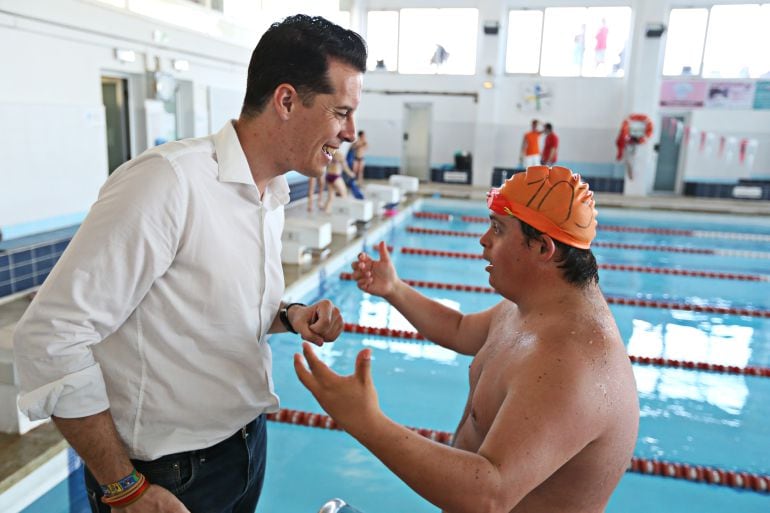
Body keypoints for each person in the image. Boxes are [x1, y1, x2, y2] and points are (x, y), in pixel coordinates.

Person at [13, 14, 366, 513]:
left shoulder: (271, 194)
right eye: (341, 112)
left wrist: (290, 316)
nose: (351, 132)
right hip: (165, 476)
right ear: (287, 100)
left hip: (245, 448)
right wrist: (125, 489)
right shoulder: (167, 184)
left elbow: (210, 306)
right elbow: (49, 339)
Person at [295, 165, 639, 513]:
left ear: (542, 248)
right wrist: (394, 289)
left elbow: (490, 495)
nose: (484, 240)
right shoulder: (529, 309)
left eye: (498, 229)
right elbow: (459, 328)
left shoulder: (574, 361)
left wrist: (365, 421)